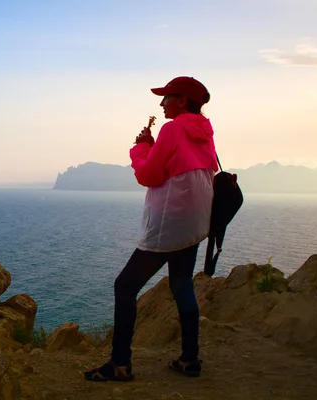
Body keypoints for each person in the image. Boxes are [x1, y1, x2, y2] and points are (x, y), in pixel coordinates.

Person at [85, 76, 218, 381]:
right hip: (196, 221)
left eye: (166, 98)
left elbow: (148, 175)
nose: (161, 104)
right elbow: (179, 166)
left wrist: (141, 149)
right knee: (182, 285)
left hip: (170, 222)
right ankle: (190, 359)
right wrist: (155, 147)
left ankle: (119, 364)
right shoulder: (205, 131)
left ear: (182, 101)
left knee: (125, 285)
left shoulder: (172, 128)